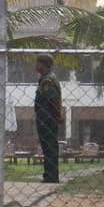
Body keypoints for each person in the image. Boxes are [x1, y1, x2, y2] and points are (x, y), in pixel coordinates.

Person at [34, 54, 64, 183]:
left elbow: (54, 100)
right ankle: (49, 175)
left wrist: (57, 115)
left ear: (43, 64)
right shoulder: (44, 78)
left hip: (47, 118)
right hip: (44, 117)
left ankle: (51, 176)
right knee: (47, 147)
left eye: (37, 63)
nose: (35, 66)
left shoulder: (48, 79)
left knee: (49, 147)